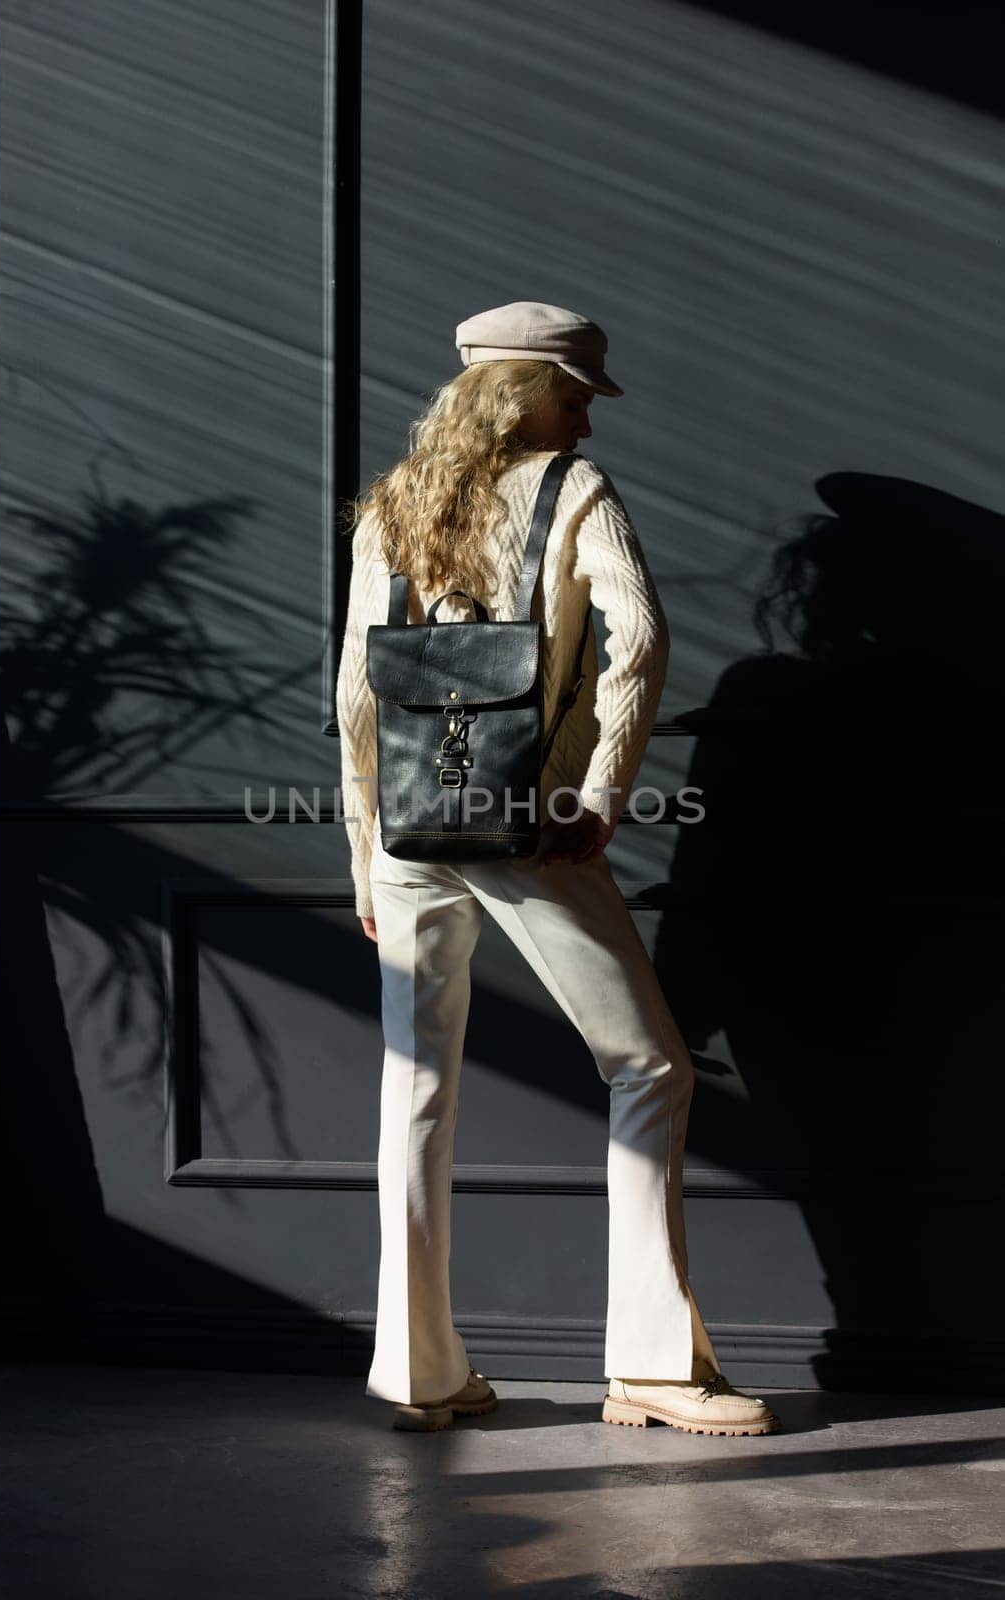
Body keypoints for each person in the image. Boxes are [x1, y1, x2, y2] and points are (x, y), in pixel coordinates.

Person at [336, 301, 780, 1437]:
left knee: (416, 1089)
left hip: (408, 833)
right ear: (519, 390)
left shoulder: (387, 509)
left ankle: (419, 1376)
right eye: (573, 395)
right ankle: (653, 1367)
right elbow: (641, 638)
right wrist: (597, 793)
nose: (583, 421)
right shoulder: (575, 494)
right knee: (650, 1069)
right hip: (528, 824)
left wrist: (359, 856)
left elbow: (353, 700)